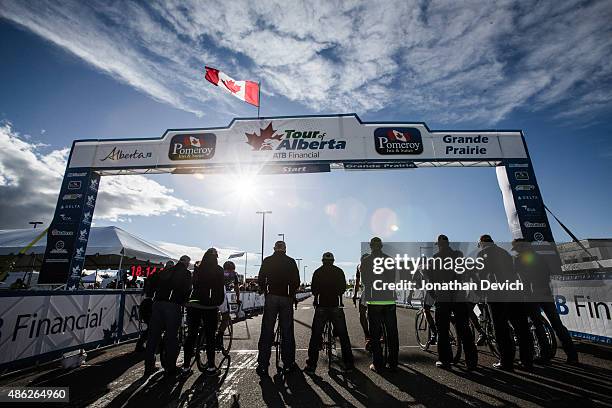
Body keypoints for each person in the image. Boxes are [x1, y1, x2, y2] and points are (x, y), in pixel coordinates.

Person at [512, 238, 579, 365]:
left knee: (537, 324)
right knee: (557, 324)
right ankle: (572, 355)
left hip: (531, 295)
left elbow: (519, 278)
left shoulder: (519, 259)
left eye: (516, 249)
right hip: (546, 293)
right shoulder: (539, 257)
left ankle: (545, 354)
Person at [478, 235, 532, 371]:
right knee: (521, 328)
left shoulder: (483, 253)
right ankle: (527, 360)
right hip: (514, 292)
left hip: (497, 295)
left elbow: (482, 274)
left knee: (501, 329)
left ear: (482, 243)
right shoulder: (505, 252)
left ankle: (506, 362)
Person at [426, 234, 477, 370]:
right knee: (464, 328)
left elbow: (429, 280)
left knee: (442, 330)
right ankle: (471, 360)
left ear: (438, 245)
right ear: (448, 243)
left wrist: (433, 294)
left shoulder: (435, 259)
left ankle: (445, 360)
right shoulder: (458, 255)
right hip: (458, 296)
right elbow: (463, 273)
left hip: (443, 297)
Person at [256, 241, 301, 376]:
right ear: (285, 249)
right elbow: (296, 281)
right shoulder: (291, 262)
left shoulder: (268, 260)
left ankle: (263, 364)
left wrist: (265, 289)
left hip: (271, 297)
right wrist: (292, 294)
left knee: (267, 329)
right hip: (286, 298)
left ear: (274, 248)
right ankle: (288, 363)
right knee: (287, 330)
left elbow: (261, 278)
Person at [305, 252, 354, 373]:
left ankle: (311, 365)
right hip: (335, 305)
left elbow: (314, 289)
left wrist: (316, 299)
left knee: (316, 335)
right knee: (343, 335)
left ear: (322, 261)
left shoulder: (317, 272)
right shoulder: (339, 271)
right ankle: (348, 363)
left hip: (322, 305)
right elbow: (343, 288)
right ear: (333, 261)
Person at [144, 255, 192, 377]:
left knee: (153, 335)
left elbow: (151, 279)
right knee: (171, 337)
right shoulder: (185, 273)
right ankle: (170, 368)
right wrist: (185, 301)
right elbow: (187, 289)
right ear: (186, 262)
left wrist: (150, 294)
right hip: (172, 305)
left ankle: (149, 366)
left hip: (157, 303)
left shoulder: (167, 270)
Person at [182, 248, 226, 376]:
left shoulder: (198, 267)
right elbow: (219, 288)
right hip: (209, 305)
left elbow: (193, 284)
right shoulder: (218, 270)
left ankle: (185, 367)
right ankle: (211, 366)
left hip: (194, 302)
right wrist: (217, 302)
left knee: (191, 335)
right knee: (210, 336)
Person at [359, 237, 399, 372]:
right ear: (381, 246)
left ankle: (378, 363)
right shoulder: (389, 260)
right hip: (389, 299)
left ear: (371, 247)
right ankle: (393, 362)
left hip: (374, 300)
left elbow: (365, 282)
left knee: (375, 334)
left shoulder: (365, 262)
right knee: (392, 332)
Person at [216, 260, 241, 347]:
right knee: (226, 316)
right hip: (221, 294)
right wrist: (238, 299)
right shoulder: (234, 274)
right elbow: (237, 288)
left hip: (210, 294)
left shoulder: (218, 271)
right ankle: (219, 336)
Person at [352, 255, 371, 351]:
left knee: (362, 313)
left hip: (368, 291)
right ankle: (382, 335)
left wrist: (354, 295)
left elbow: (357, 282)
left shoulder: (360, 266)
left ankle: (367, 336)